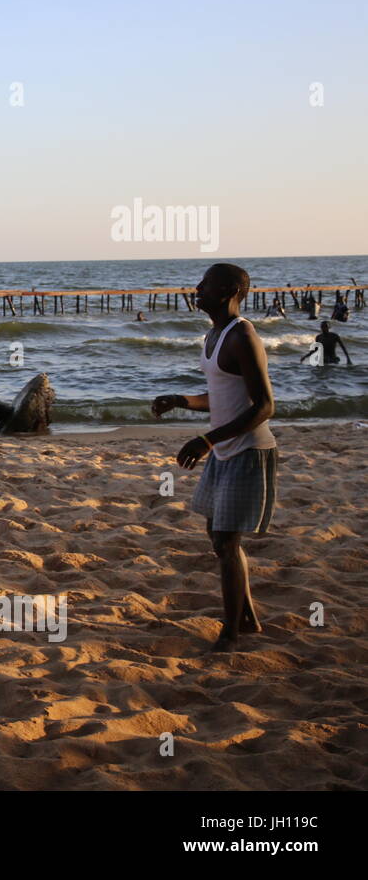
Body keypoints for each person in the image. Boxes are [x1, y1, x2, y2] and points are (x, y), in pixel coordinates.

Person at [151, 263, 277, 653]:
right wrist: (181, 401)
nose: (196, 289)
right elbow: (220, 397)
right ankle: (248, 618)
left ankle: (230, 634)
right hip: (223, 450)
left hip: (248, 450)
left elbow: (264, 406)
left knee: (225, 540)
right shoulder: (215, 334)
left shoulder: (242, 335)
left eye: (204, 285)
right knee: (219, 539)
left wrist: (206, 440)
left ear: (226, 291)